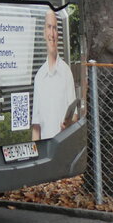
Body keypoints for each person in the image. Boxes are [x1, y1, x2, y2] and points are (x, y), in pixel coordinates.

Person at [31, 9, 77, 141]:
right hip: (45, 149)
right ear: (44, 33)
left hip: (63, 146)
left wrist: (68, 124)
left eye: (55, 28)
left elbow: (74, 116)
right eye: (49, 27)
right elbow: (36, 127)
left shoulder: (66, 72)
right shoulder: (39, 77)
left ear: (58, 34)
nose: (52, 33)